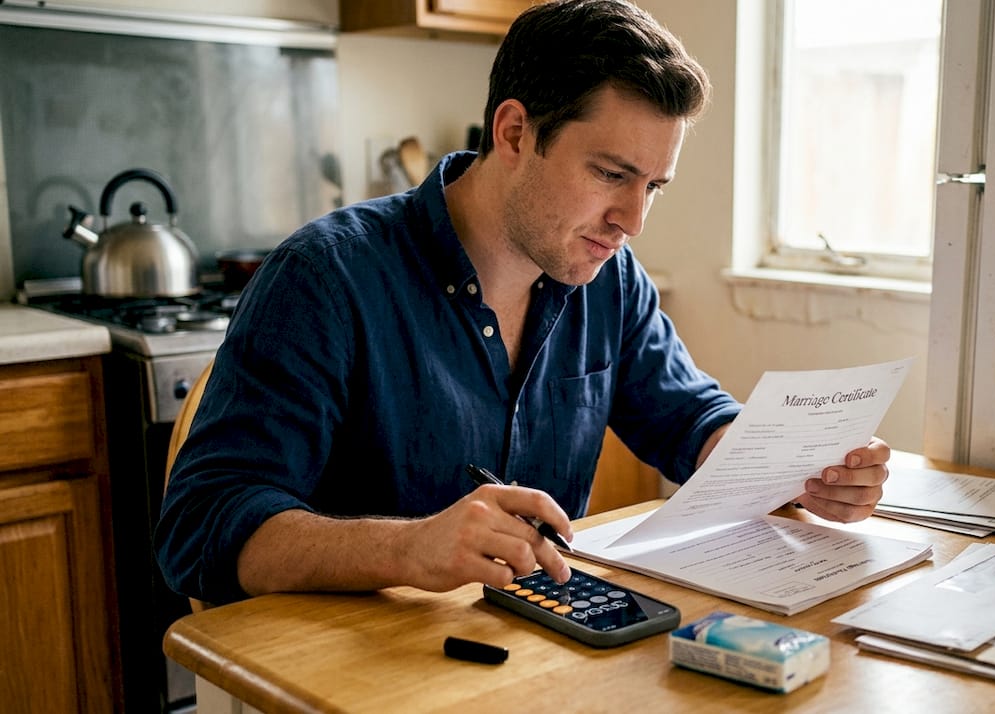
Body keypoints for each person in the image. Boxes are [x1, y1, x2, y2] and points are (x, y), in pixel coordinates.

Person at [155, 0, 891, 606]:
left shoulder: (609, 278)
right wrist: (409, 547)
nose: (632, 220)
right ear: (514, 132)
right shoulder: (326, 277)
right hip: (350, 672)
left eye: (654, 187)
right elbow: (199, 525)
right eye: (611, 174)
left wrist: (797, 471)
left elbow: (689, 418)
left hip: (529, 651)